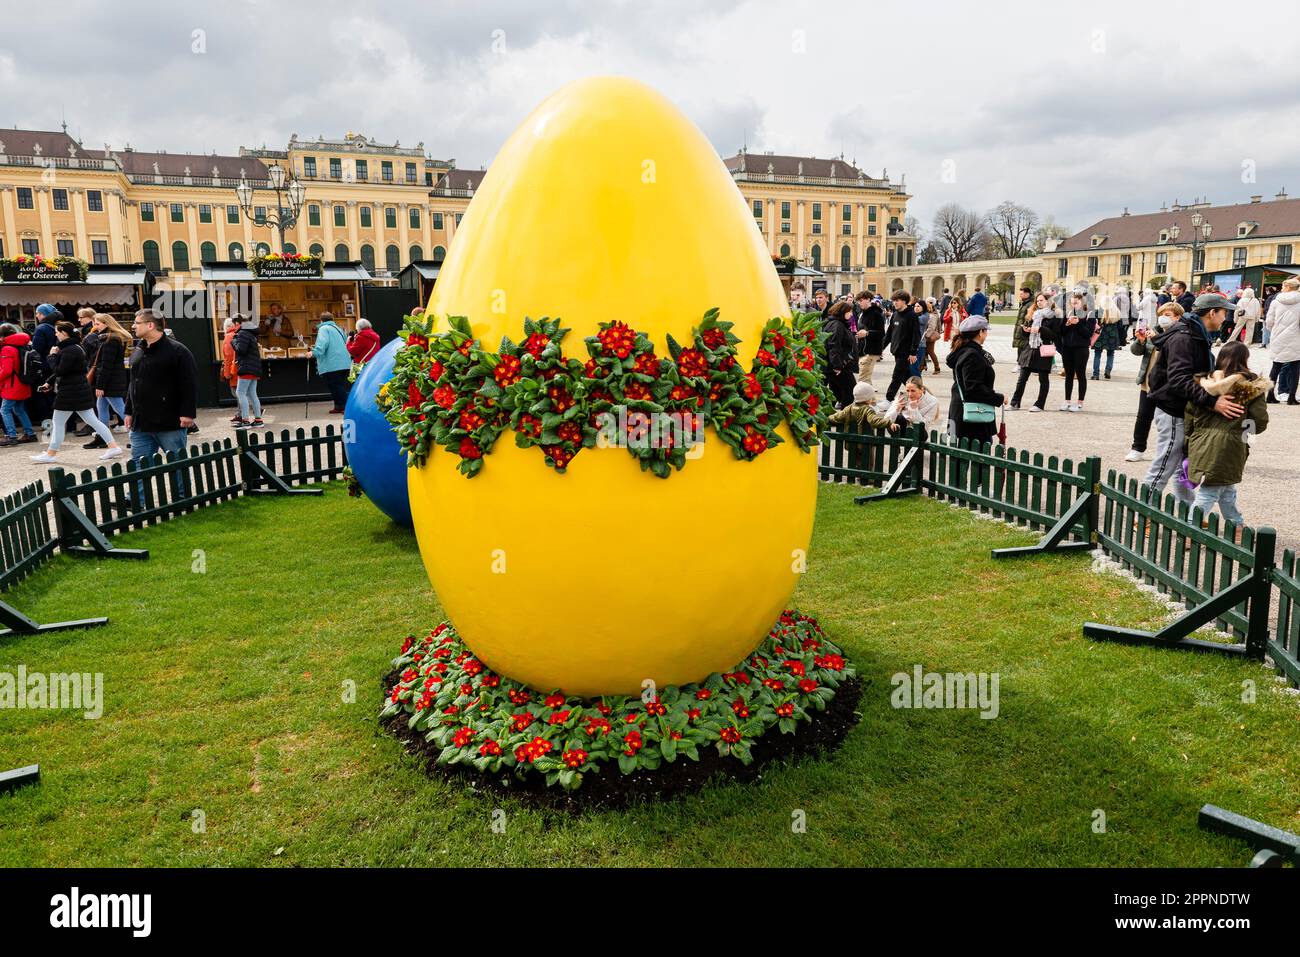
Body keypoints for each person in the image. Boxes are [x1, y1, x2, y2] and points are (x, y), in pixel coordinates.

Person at [1144, 293, 1243, 507]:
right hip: (1172, 408)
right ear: (1212, 312)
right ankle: (1143, 511)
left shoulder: (1196, 333)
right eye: (1224, 313)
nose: (1225, 318)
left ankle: (1189, 512)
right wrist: (1212, 401)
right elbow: (1179, 380)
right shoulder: (1184, 336)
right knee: (1165, 463)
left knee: (1183, 466)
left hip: (1185, 409)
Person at [1184, 341, 1269, 532]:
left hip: (1200, 441)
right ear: (1244, 360)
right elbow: (1259, 420)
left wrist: (1189, 440)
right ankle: (1190, 529)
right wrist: (1247, 436)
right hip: (1231, 444)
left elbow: (1189, 413)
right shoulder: (1250, 387)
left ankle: (1237, 525)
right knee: (1211, 490)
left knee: (1225, 488)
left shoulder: (1204, 384)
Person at [124, 308, 199, 498]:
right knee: (139, 462)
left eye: (137, 322)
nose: (133, 326)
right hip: (141, 422)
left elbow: (189, 384)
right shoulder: (139, 350)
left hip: (169, 420)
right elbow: (133, 383)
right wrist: (129, 411)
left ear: (150, 325)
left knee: (176, 462)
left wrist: (188, 413)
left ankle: (182, 497)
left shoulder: (178, 351)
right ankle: (136, 499)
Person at [27, 322, 122, 464]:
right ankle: (113, 446)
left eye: (57, 332)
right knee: (92, 420)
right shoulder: (74, 348)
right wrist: (49, 382)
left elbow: (60, 371)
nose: (55, 334)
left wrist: (52, 356)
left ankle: (51, 454)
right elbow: (67, 371)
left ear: (64, 333)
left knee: (58, 423)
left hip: (70, 391)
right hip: (77, 389)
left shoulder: (69, 350)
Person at [1124, 302, 1182, 462]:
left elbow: (1174, 354)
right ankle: (1137, 448)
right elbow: (1136, 352)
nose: (1163, 318)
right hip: (1148, 382)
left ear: (1177, 317)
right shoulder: (1154, 330)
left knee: (1168, 420)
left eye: (1168, 315)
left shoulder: (1180, 334)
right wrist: (1140, 341)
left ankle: (1170, 452)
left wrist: (1156, 339)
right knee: (1143, 416)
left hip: (1168, 385)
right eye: (1161, 314)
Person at [946, 316, 1003, 445]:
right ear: (980, 332)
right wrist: (998, 398)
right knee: (976, 459)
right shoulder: (972, 355)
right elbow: (973, 388)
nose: (986, 334)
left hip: (959, 411)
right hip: (972, 417)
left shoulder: (962, 350)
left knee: (959, 458)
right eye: (985, 331)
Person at [83, 313, 132, 449]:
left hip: (110, 381)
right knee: (102, 408)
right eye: (94, 323)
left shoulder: (110, 339)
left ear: (106, 324)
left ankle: (139, 435)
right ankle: (102, 438)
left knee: (122, 410)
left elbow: (106, 365)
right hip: (111, 380)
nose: (95, 326)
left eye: (97, 323)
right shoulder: (108, 338)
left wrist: (100, 385)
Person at [1010, 290, 1057, 412]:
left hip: (1043, 349)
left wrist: (1040, 329)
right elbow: (1026, 334)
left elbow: (1055, 336)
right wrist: (1025, 330)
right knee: (1022, 378)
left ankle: (1039, 404)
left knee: (1043, 378)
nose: (1039, 302)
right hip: (1030, 348)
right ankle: (1015, 403)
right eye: (1037, 300)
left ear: (1048, 301)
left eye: (1042, 300)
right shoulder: (1033, 314)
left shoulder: (1053, 316)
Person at [0, 323, 39, 446]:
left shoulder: (7, 348)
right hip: (23, 383)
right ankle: (30, 433)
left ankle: (11, 436)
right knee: (19, 409)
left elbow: (7, 370)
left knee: (5, 410)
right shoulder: (23, 345)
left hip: (12, 385)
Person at [1263, 278, 1300, 404]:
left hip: (1278, 336)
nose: (1282, 289)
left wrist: (1274, 330)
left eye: (1283, 286)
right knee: (1295, 368)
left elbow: (1269, 322)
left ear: (1288, 287)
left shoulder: (1276, 301)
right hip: (1296, 337)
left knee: (1276, 366)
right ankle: (1291, 397)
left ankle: (1270, 395)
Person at [1058, 292, 1096, 411]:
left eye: (1076, 303)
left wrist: (1078, 323)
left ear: (1082, 302)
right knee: (1068, 375)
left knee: (1080, 375)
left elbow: (1088, 333)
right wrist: (1067, 324)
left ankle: (1080, 403)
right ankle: (1067, 401)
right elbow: (1062, 332)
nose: (1074, 305)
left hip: (1081, 349)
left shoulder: (1090, 314)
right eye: (1072, 303)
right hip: (1067, 348)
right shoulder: (1068, 313)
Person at [312, 311, 352, 414]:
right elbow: (345, 342)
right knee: (338, 385)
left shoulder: (323, 329)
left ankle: (346, 407)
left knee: (336, 386)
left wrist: (314, 353)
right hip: (344, 362)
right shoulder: (338, 329)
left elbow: (322, 343)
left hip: (332, 363)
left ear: (321, 320)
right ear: (332, 319)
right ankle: (339, 406)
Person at [821, 300, 857, 409]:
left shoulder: (836, 323)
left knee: (835, 392)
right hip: (838, 366)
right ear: (842, 312)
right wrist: (837, 365)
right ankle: (844, 419)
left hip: (836, 365)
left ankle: (833, 417)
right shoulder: (837, 325)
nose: (851, 314)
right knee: (849, 391)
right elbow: (834, 346)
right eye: (849, 312)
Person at [885, 291, 920, 401]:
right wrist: (881, 348)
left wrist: (913, 352)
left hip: (906, 352)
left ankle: (888, 399)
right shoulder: (895, 314)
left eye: (897, 301)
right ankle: (923, 396)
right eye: (894, 301)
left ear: (904, 301)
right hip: (896, 351)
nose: (894, 303)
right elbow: (889, 333)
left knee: (896, 376)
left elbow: (916, 335)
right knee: (906, 377)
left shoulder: (912, 315)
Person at [231, 314, 265, 428]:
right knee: (252, 394)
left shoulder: (242, 333)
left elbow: (241, 350)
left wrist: (233, 341)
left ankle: (245, 421)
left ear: (237, 323)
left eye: (234, 324)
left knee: (240, 393)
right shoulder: (251, 333)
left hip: (246, 367)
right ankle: (258, 420)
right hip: (254, 367)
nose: (234, 326)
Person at [828, 380, 899, 432]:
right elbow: (874, 420)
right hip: (865, 445)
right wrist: (888, 423)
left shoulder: (848, 408)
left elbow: (836, 417)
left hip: (850, 443)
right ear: (868, 399)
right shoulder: (868, 410)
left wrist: (827, 418)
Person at [854, 291, 885, 383]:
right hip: (863, 350)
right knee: (865, 380)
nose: (859, 303)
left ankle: (867, 397)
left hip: (870, 351)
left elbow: (881, 333)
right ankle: (868, 397)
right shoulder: (862, 313)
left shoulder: (876, 314)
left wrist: (867, 333)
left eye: (861, 300)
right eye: (858, 301)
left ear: (868, 300)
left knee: (863, 380)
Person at [1091, 301, 1122, 380]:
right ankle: (1108, 371)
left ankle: (1096, 374)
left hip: (1100, 335)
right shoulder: (1117, 312)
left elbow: (1094, 323)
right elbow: (1120, 326)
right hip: (1112, 335)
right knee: (1111, 354)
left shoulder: (1099, 312)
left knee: (1097, 354)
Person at [220, 318, 241, 420]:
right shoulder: (238, 334)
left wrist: (227, 373)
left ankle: (256, 409)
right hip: (241, 367)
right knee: (241, 392)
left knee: (237, 393)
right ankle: (240, 414)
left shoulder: (228, 337)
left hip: (234, 369)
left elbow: (228, 357)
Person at [910, 297, 932, 378]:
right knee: (911, 368)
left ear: (923, 307)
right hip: (912, 345)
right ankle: (913, 388)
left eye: (918, 306)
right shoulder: (914, 315)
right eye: (915, 306)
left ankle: (919, 388)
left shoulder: (925, 316)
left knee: (914, 368)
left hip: (919, 345)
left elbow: (916, 320)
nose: (916, 308)